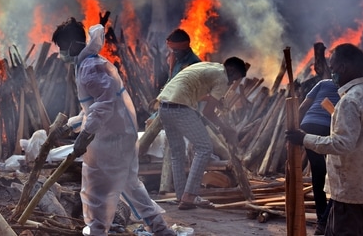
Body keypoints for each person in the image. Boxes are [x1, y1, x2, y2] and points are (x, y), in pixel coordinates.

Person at [51, 16, 175, 236]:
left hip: (112, 140)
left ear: (71, 44)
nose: (61, 52)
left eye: (61, 47)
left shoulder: (90, 68)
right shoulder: (90, 63)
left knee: (97, 190)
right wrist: (72, 126)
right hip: (118, 135)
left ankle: (98, 231)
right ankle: (161, 230)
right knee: (131, 186)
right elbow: (93, 108)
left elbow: (104, 105)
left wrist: (85, 134)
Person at [286, 43, 363, 235]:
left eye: (332, 69)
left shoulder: (349, 101)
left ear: (342, 67)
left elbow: (342, 144)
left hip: (350, 193)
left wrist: (304, 138)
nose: (332, 74)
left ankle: (322, 223)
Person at [156, 58, 247, 210]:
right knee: (204, 148)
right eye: (235, 78)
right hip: (180, 108)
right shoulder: (223, 77)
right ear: (231, 70)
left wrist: (214, 100)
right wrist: (226, 129)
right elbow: (208, 113)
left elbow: (194, 90)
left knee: (177, 152)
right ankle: (190, 195)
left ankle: (181, 196)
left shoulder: (210, 66)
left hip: (164, 106)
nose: (232, 83)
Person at [298, 79, 339, 235]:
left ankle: (321, 216)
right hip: (330, 129)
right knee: (336, 174)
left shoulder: (323, 83)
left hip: (308, 126)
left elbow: (303, 107)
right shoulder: (352, 86)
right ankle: (325, 220)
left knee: (318, 172)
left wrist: (295, 130)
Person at [146, 28, 201, 127]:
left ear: (184, 48)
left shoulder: (194, 64)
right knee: (149, 124)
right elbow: (170, 82)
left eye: (175, 50)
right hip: (169, 107)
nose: (172, 52)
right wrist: (159, 99)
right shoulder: (176, 59)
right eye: (171, 50)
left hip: (184, 111)